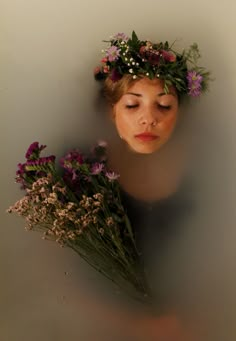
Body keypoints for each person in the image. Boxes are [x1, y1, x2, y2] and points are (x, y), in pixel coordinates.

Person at [92, 31, 210, 340]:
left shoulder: (205, 175)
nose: (149, 119)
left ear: (179, 115)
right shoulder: (83, 173)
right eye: (132, 105)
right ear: (111, 112)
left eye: (164, 106)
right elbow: (52, 275)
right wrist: (135, 325)